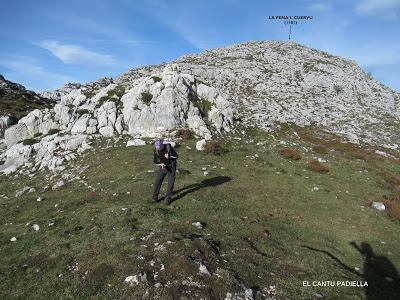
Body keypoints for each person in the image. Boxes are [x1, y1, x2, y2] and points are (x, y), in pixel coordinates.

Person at [150, 139, 179, 205]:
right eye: (157, 148)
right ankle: (155, 198)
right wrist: (160, 164)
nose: (159, 149)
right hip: (163, 167)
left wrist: (169, 156)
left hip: (171, 167)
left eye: (159, 147)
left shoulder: (168, 148)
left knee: (170, 182)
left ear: (162, 144)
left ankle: (167, 199)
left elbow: (176, 156)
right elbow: (155, 161)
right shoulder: (156, 150)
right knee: (157, 181)